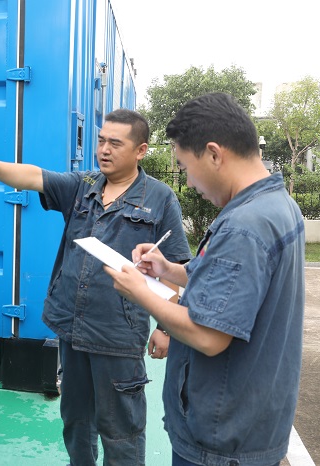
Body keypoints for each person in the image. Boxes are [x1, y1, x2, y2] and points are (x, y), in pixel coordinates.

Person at [0, 108, 191, 466]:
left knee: (121, 431)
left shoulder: (160, 198)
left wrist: (166, 327)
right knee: (76, 424)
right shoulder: (83, 186)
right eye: (101, 140)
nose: (104, 150)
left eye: (115, 144)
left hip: (118, 336)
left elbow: (175, 267)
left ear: (141, 150)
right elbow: (33, 176)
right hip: (72, 329)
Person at [104, 93, 305, 466]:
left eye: (186, 166)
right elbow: (231, 284)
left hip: (221, 440)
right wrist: (167, 269)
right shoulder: (277, 204)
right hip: (252, 423)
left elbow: (209, 336)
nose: (190, 182)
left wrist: (140, 292)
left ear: (214, 154)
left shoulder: (244, 226)